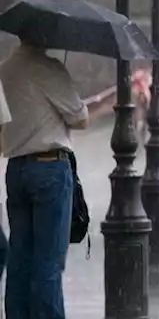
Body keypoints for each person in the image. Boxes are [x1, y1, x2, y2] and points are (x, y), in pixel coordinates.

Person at [0, 39, 85, 319]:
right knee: (48, 263)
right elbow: (81, 117)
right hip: (49, 168)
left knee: (19, 259)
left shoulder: (5, 69)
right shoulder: (48, 68)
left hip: (16, 169)